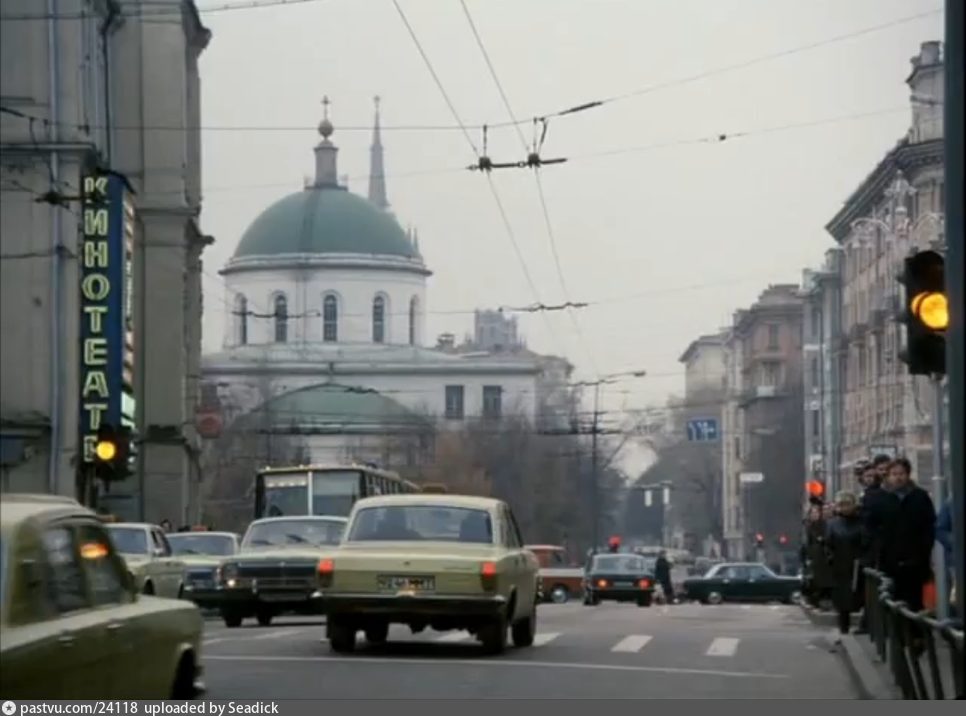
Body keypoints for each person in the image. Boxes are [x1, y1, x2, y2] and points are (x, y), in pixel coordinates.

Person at [880, 457, 936, 612]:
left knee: (915, 602)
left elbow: (929, 526)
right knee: (895, 602)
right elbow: (878, 530)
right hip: (891, 561)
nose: (898, 477)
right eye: (894, 473)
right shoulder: (884, 499)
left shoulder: (920, 497)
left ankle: (917, 634)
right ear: (889, 476)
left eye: (902, 473)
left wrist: (924, 551)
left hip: (916, 560)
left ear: (908, 474)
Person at [826, 491, 866, 642]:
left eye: (847, 504)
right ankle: (844, 628)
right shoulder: (833, 524)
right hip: (840, 565)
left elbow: (866, 542)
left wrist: (863, 559)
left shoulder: (861, 523)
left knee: (860, 596)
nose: (844, 508)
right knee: (842, 600)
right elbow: (828, 545)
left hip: (857, 564)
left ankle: (864, 626)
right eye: (841, 505)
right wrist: (830, 558)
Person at [802, 504, 833, 608]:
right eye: (812, 513)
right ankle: (815, 600)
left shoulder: (823, 525)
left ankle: (822, 601)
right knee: (813, 579)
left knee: (822, 579)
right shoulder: (809, 526)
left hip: (821, 555)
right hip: (814, 555)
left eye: (816, 513)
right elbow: (808, 543)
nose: (815, 515)